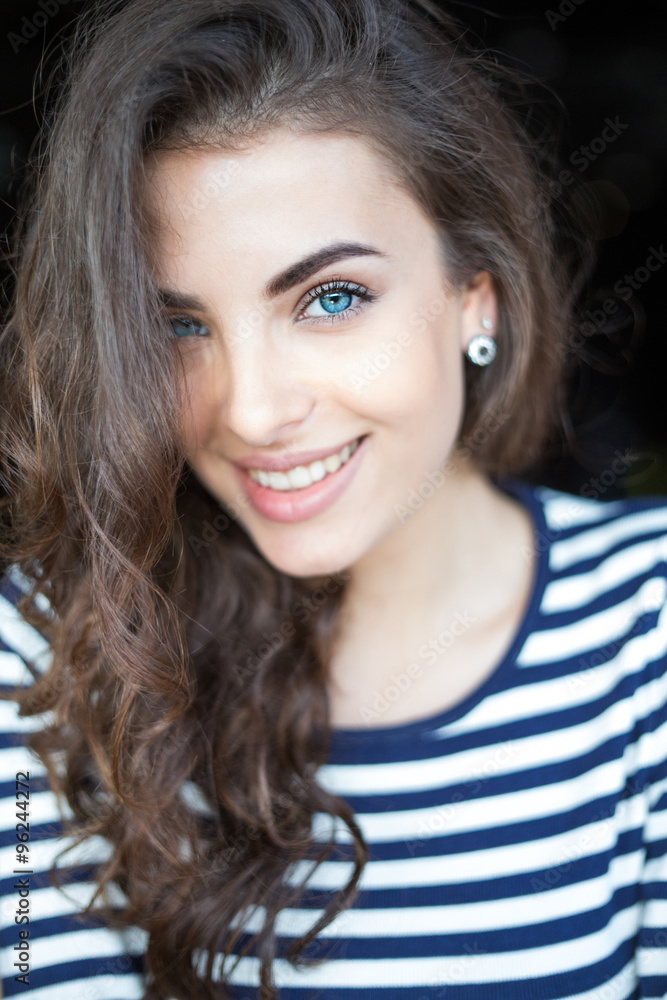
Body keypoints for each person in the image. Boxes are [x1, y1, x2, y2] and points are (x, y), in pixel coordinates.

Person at [0, 0, 665, 997]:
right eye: (177, 327)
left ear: (472, 292)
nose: (254, 411)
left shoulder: (647, 625)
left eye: (331, 298)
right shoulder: (48, 651)